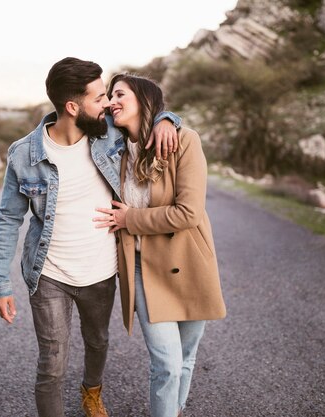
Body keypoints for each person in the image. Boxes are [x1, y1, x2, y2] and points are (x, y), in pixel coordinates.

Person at [0, 57, 181, 417]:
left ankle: (91, 392)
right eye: (99, 97)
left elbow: (149, 116)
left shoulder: (108, 132)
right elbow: (7, 219)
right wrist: (0, 282)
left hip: (102, 269)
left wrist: (169, 120)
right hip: (49, 275)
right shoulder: (24, 155)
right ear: (72, 107)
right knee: (52, 361)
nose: (108, 103)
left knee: (98, 341)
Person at [94, 73, 227, 417]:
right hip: (141, 266)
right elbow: (74, 120)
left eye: (120, 93)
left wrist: (130, 220)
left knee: (186, 356)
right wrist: (168, 116)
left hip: (189, 261)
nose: (111, 101)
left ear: (144, 99)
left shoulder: (184, 140)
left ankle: (173, 410)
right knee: (167, 363)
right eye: (110, 96)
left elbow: (189, 212)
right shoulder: (111, 148)